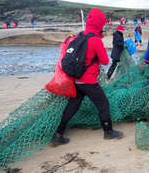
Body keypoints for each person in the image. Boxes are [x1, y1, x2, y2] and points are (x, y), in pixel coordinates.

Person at [50, 8, 123, 147]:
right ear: (99, 23)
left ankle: (58, 135)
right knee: (103, 104)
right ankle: (108, 132)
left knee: (71, 107)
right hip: (88, 81)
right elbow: (105, 62)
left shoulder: (79, 36)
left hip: (75, 79)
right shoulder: (95, 40)